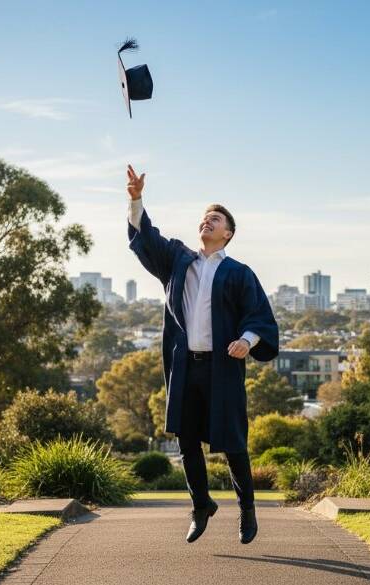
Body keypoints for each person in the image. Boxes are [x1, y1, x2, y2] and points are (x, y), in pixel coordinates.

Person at [124, 164, 279, 544]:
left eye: (216, 219)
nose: (208, 221)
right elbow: (147, 238)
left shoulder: (239, 273)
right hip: (184, 367)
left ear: (228, 233)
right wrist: (136, 199)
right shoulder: (178, 260)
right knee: (187, 441)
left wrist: (247, 341)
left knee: (233, 442)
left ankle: (247, 509)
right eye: (205, 218)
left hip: (221, 368)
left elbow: (260, 317)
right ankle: (201, 506)